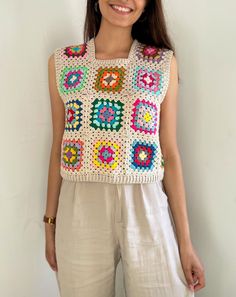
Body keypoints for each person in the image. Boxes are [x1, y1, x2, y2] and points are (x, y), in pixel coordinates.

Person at [44, 0, 205, 296]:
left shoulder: (160, 63)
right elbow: (59, 148)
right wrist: (49, 223)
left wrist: (185, 244)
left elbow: (169, 154)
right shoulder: (64, 62)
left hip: (146, 202)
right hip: (80, 207)